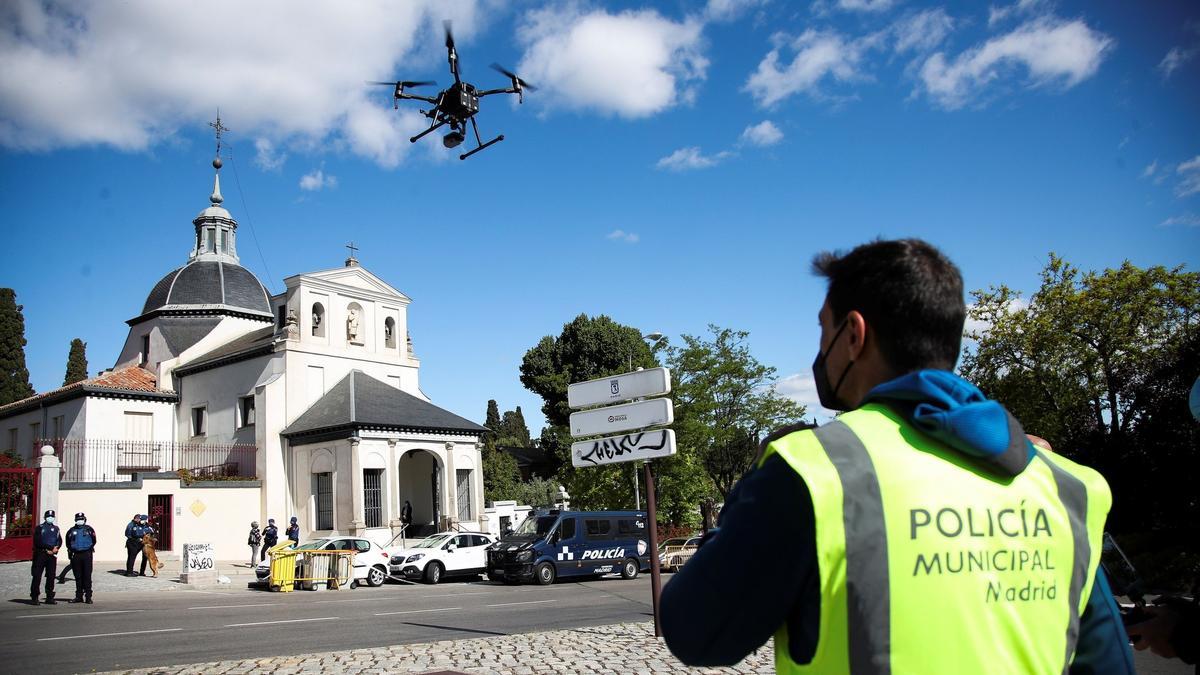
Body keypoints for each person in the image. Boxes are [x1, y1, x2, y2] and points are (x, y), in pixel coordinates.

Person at [660, 239, 1134, 674]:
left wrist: (749, 493)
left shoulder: (812, 470)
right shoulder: (1067, 484)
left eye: (823, 330)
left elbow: (696, 633)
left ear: (853, 335)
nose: (819, 350)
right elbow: (1108, 663)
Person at [64, 512, 97, 604]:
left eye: (81, 519)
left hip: (87, 554)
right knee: (78, 576)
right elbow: (68, 542)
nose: (80, 521)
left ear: (84, 520)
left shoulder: (89, 529)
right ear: (75, 520)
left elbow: (94, 540)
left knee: (87, 576)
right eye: (78, 519)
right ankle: (78, 596)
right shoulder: (71, 531)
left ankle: (88, 597)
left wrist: (88, 548)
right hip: (76, 555)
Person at [30, 509, 61, 605]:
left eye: (52, 516)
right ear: (45, 517)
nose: (50, 518)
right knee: (37, 576)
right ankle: (35, 597)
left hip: (52, 556)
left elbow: (59, 540)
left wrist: (56, 548)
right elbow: (38, 542)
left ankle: (49, 597)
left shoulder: (56, 528)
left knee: (51, 576)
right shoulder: (40, 528)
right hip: (41, 554)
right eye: (48, 516)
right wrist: (50, 548)